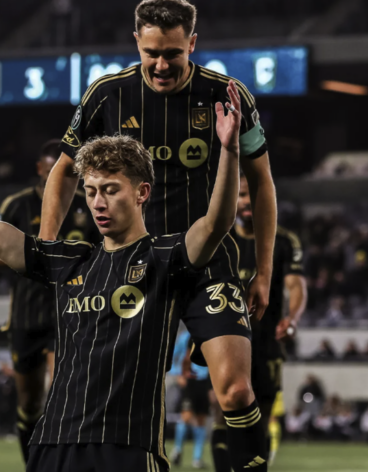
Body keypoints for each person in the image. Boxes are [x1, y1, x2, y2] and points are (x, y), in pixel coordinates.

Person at [0, 81, 247, 471]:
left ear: (142, 192)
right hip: (53, 446)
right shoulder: (69, 262)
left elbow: (217, 223)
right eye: (91, 190)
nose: (98, 202)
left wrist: (230, 151)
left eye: (111, 190)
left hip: (127, 448)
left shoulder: (166, 257)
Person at [41, 2, 277, 469]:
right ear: (136, 42)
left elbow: (263, 181)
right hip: (130, 268)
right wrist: (50, 250)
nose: (162, 64)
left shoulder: (228, 96)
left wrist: (264, 269)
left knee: (236, 390)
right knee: (114, 401)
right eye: (152, 52)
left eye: (173, 52)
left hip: (203, 259)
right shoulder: (108, 94)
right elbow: (65, 171)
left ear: (192, 42)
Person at [0, 139, 99, 463]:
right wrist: (30, 254)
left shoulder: (85, 205)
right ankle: (31, 464)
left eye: (64, 172)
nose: (56, 179)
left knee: (63, 396)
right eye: (50, 172)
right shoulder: (18, 205)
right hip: (25, 315)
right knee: (29, 404)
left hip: (68, 313)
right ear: (39, 169)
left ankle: (66, 462)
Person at [222, 175, 306, 467]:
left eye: (253, 195)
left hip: (267, 342)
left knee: (262, 418)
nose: (247, 202)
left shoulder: (283, 241)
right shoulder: (220, 240)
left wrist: (292, 319)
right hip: (224, 344)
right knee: (223, 416)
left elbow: (296, 286)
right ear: (231, 199)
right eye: (242, 195)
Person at [170, 328, 212, 469]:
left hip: (205, 381)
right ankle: (177, 450)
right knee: (186, 416)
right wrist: (178, 374)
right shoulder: (186, 337)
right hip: (190, 380)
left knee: (201, 419)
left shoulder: (211, 335)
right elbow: (174, 355)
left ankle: (197, 459)